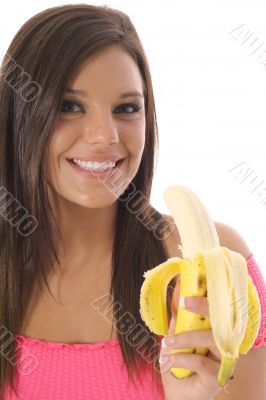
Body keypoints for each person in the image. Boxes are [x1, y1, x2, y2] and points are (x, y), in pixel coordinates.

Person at [0, 4, 265, 400]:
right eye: (69, 106)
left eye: (126, 109)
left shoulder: (213, 268)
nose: (106, 135)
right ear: (18, 114)